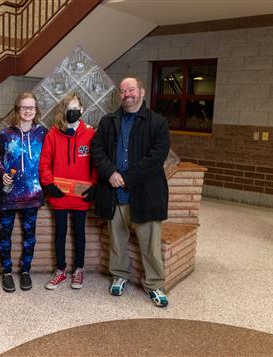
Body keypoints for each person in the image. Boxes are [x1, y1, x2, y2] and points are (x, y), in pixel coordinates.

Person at [90, 77, 170, 307]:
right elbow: (97, 151)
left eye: (131, 90)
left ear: (142, 92)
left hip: (145, 194)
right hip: (115, 193)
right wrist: (111, 173)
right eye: (123, 91)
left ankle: (154, 284)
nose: (127, 95)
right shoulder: (108, 122)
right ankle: (119, 275)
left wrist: (127, 177)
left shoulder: (158, 122)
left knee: (150, 245)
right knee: (117, 240)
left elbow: (157, 157)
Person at [39, 93, 97, 290]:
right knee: (60, 232)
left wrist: (95, 185)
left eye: (76, 109)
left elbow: (96, 162)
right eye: (68, 109)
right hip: (59, 195)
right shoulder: (53, 134)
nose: (72, 112)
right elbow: (45, 163)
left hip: (81, 195)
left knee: (79, 232)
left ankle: (79, 270)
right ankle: (61, 270)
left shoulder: (90, 134)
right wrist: (48, 184)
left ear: (82, 110)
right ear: (63, 111)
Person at [0, 92, 48, 292]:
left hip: (33, 195)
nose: (28, 111)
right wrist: (0, 173)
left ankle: (25, 271)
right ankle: (7, 273)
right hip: (8, 194)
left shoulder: (43, 133)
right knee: (5, 235)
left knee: (29, 236)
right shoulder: (6, 134)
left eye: (31, 107)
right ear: (18, 109)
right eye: (24, 107)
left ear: (36, 110)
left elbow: (49, 161)